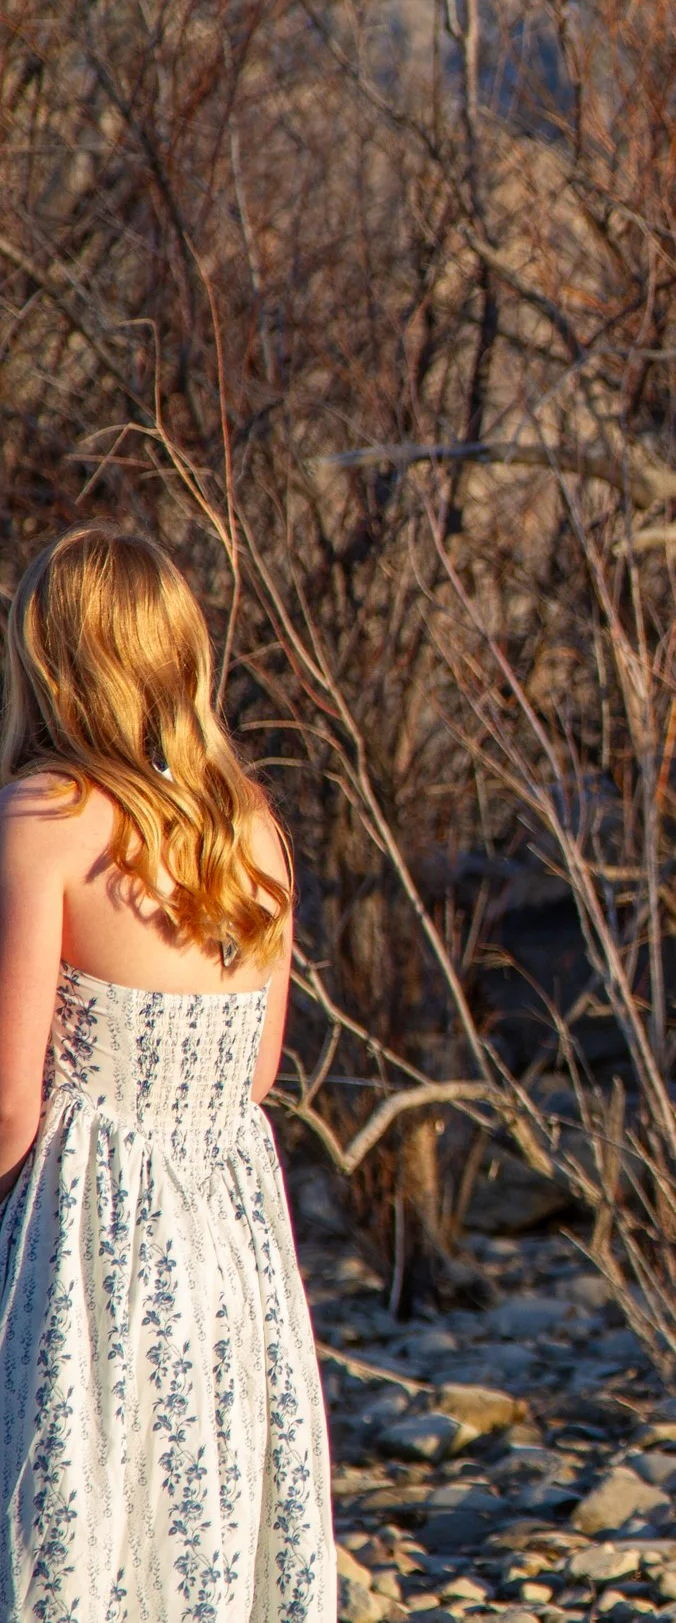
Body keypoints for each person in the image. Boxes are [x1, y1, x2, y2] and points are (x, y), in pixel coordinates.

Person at [0, 526, 332, 1618]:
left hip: (88, 1229)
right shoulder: (255, 829)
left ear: (50, 658)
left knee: (78, 1510)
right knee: (212, 1512)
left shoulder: (45, 819)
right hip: (227, 1232)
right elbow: (260, 1069)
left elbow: (9, 1097)